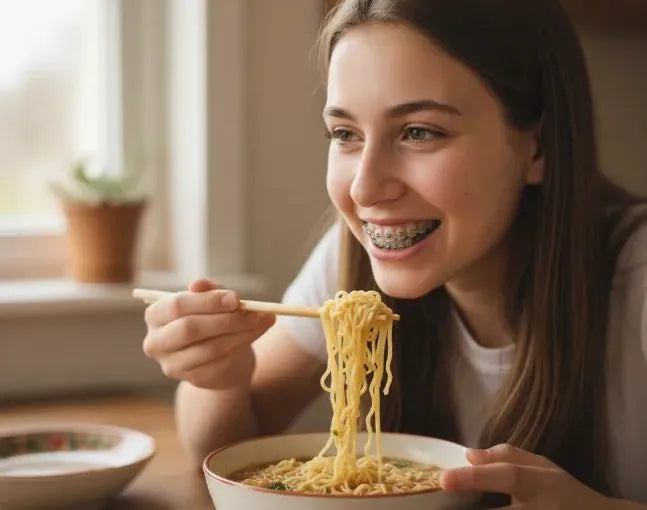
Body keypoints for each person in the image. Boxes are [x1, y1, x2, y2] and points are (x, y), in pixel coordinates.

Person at [141, 0, 647, 507]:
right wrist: (219, 378)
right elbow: (227, 456)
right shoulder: (362, 253)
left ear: (537, 147)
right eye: (345, 134)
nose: (365, 189)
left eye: (419, 132)